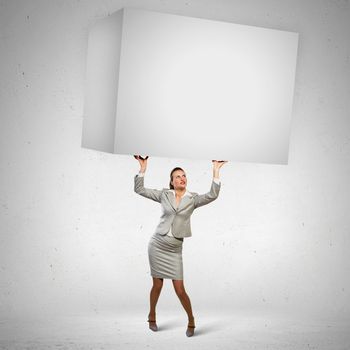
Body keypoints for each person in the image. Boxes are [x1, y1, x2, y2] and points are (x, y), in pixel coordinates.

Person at [133, 155, 228, 337]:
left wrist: (216, 171)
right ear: (171, 181)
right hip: (157, 245)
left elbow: (212, 195)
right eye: (177, 176)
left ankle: (191, 319)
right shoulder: (164, 195)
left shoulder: (192, 199)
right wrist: (142, 168)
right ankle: (152, 315)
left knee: (180, 290)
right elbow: (139, 190)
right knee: (157, 286)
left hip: (174, 249)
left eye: (184, 176)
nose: (182, 178)